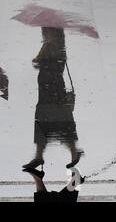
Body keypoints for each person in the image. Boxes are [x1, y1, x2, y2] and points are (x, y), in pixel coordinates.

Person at [22, 27, 83, 170]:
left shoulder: (56, 47)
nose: (44, 34)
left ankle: (73, 152)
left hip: (53, 90)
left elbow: (52, 64)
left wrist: (40, 59)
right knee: (44, 120)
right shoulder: (49, 45)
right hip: (46, 90)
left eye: (46, 31)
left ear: (54, 33)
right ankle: (39, 156)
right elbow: (40, 62)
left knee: (61, 120)